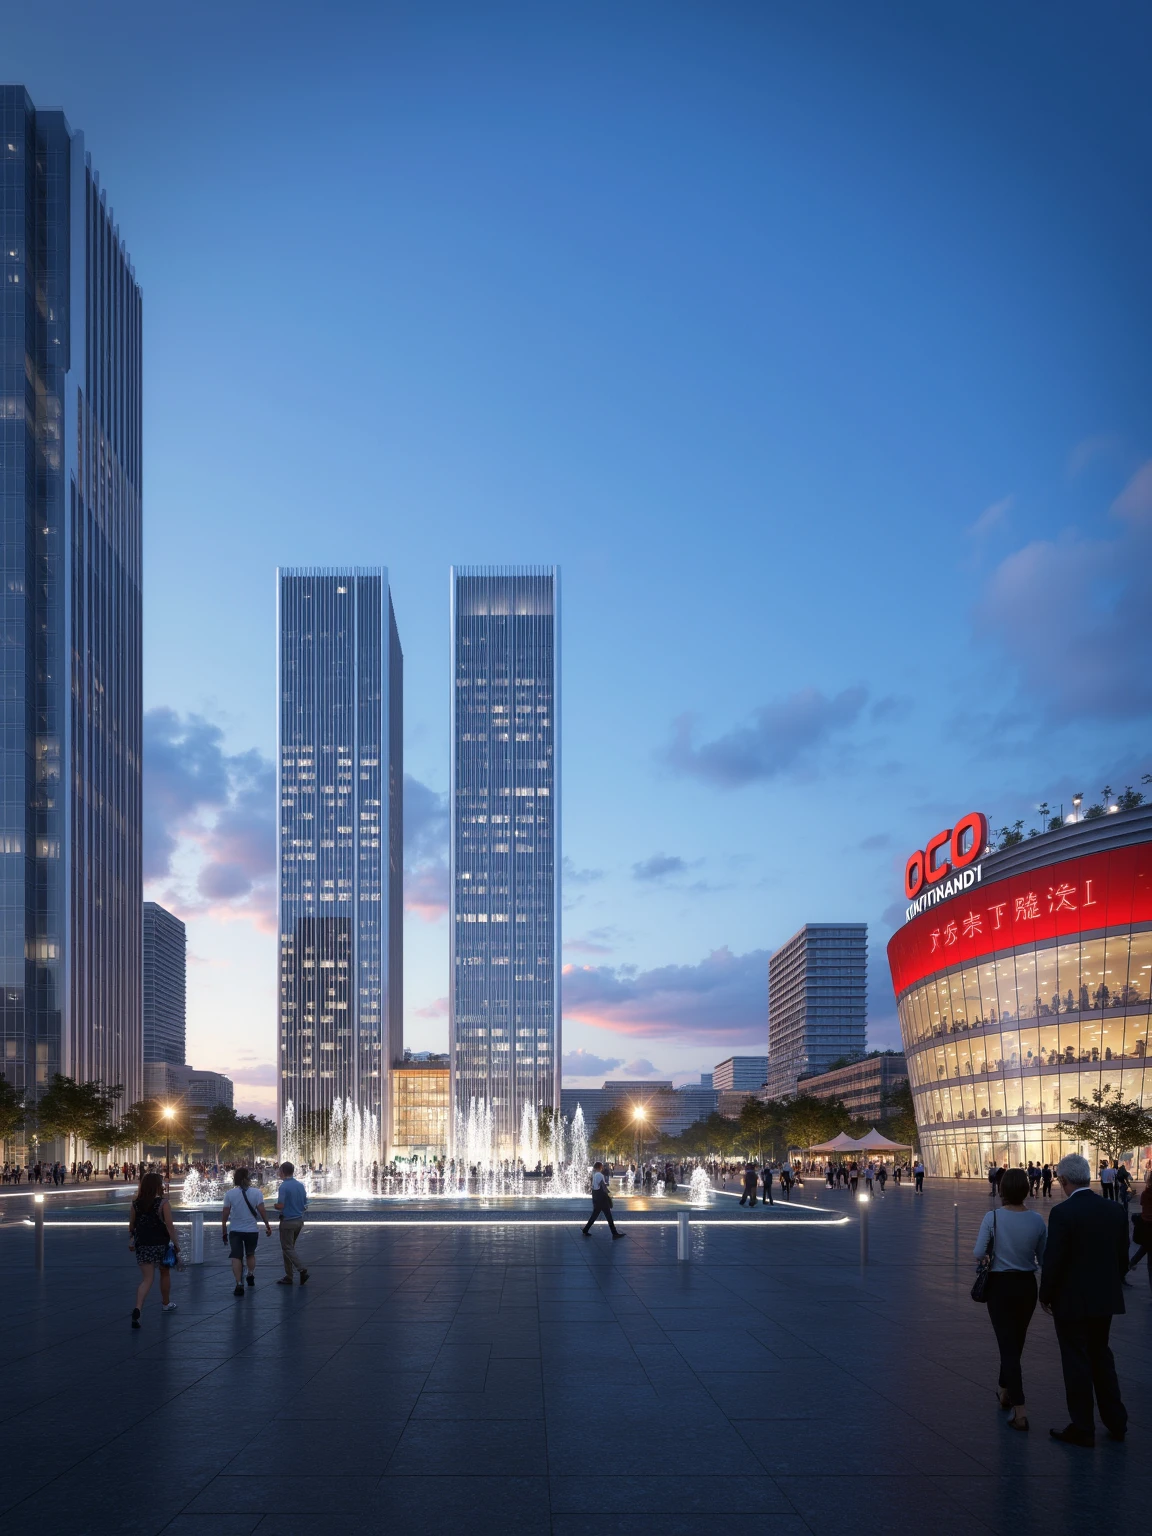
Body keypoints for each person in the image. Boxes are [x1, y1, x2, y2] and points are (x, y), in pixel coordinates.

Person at [1039, 1152, 1129, 1447]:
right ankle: (1117, 1421)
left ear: (1063, 1180)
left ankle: (1083, 1426)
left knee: (1076, 1360)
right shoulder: (1114, 1210)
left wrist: (1046, 1294)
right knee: (1102, 1355)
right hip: (1104, 1300)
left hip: (1072, 1302)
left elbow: (1054, 1260)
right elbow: (1122, 1258)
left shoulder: (1063, 1213)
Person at [972, 1167, 1046, 1431]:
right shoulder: (1037, 1220)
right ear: (1027, 1189)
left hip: (1000, 1286)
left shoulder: (992, 1217)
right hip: (1027, 1286)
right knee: (1016, 1342)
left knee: (1007, 1345)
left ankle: (1020, 1409)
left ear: (1002, 1189)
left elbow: (979, 1251)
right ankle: (1004, 1390)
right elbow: (1044, 1258)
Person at [128, 1170, 180, 1328]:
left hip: (143, 1245)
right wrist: (176, 1244)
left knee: (147, 1279)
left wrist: (132, 1238)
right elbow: (169, 1226)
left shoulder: (135, 1203)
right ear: (157, 1186)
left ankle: (138, 1308)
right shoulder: (163, 1203)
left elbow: (132, 1226)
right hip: (160, 1244)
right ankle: (166, 1303)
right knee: (164, 1273)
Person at [221, 1167, 272, 1296]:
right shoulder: (257, 1193)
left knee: (236, 1257)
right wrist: (267, 1225)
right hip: (251, 1230)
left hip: (235, 1230)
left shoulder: (230, 1194)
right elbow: (262, 1211)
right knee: (250, 1254)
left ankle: (239, 1284)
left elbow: (225, 1214)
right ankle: (250, 1274)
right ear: (248, 1178)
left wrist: (223, 1230)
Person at [274, 1160, 310, 1286]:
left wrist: (274, 1206)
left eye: (279, 1170)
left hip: (287, 1222)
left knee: (287, 1247)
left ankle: (301, 1269)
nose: (278, 1172)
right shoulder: (300, 1185)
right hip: (299, 1221)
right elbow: (305, 1204)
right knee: (289, 1248)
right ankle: (289, 1276)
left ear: (283, 1172)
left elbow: (281, 1205)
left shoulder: (284, 1186)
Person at [582, 1162, 625, 1238]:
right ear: (600, 1167)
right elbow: (603, 1186)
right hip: (602, 1199)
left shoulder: (595, 1175)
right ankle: (614, 1233)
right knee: (608, 1215)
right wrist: (609, 1194)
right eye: (602, 1166)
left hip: (596, 1198)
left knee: (595, 1215)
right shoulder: (600, 1175)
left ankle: (586, 1229)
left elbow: (595, 1186)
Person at [1128, 1168, 1152, 1293]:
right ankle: (1131, 1263)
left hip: (1147, 1225)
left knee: (1147, 1247)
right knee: (1148, 1251)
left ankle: (1131, 1263)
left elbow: (1143, 1206)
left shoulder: (1146, 1194)